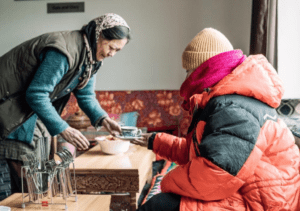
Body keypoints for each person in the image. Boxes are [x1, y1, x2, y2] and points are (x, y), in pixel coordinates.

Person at [132, 28, 300, 211]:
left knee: (158, 205)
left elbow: (215, 174)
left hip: (265, 203)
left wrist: (167, 181)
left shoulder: (235, 108)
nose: (186, 77)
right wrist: (155, 141)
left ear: (203, 69)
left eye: (188, 70)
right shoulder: (231, 98)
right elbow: (202, 152)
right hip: (254, 192)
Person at [0, 13, 131, 197]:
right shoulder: (63, 51)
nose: (112, 54)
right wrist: (64, 128)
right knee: (30, 188)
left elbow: (85, 94)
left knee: (38, 186)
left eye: (118, 51)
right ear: (99, 35)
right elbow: (36, 94)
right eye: (111, 47)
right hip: (12, 112)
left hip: (30, 114)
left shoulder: (91, 57)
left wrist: (103, 119)